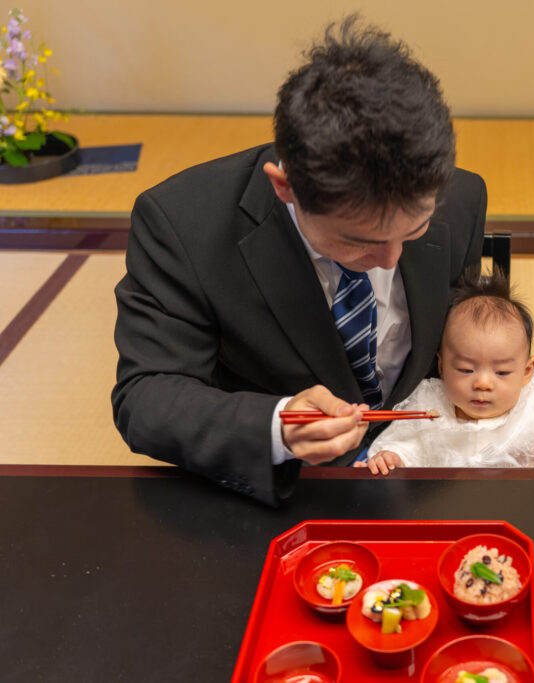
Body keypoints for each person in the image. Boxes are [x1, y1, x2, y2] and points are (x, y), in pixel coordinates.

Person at [111, 16, 487, 506]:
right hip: (285, 490)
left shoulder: (461, 198)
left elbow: (459, 344)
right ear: (285, 187)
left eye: (413, 231)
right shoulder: (183, 224)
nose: (390, 260)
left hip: (428, 476)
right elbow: (146, 397)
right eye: (359, 242)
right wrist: (277, 427)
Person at [360, 270, 534, 484]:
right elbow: (403, 444)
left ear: (526, 372)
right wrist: (391, 457)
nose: (482, 384)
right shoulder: (430, 405)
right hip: (448, 513)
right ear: (442, 365)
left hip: (522, 507)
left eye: (501, 372)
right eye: (466, 370)